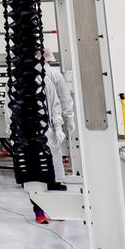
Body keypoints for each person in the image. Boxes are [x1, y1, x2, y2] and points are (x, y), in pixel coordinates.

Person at [32, 49, 76, 223]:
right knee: (43, 174)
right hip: (37, 132)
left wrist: (60, 124)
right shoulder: (21, 80)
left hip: (47, 131)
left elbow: (57, 103)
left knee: (51, 172)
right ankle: (43, 211)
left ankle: (52, 209)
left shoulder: (49, 79)